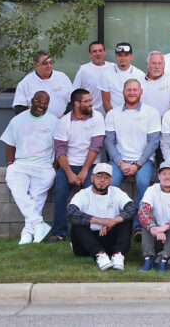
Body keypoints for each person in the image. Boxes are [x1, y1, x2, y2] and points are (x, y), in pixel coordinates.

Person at [103, 78, 161, 230]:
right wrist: (120, 163)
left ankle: (138, 225)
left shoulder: (151, 112)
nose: (132, 93)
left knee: (143, 183)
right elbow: (109, 142)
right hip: (119, 160)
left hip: (144, 161)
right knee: (109, 184)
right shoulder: (113, 114)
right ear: (123, 92)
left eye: (135, 90)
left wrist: (138, 164)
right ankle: (110, 224)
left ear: (141, 92)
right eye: (128, 90)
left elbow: (153, 142)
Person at [48, 88, 105, 242]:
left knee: (91, 193)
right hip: (69, 165)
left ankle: (91, 231)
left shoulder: (97, 117)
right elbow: (60, 151)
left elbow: (96, 146)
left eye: (91, 100)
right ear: (76, 104)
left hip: (91, 164)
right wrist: (69, 173)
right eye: (87, 101)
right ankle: (59, 232)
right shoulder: (64, 122)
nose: (91, 103)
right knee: (60, 192)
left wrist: (85, 170)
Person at [1, 91, 57, 244]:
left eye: (46, 103)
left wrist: (54, 168)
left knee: (36, 199)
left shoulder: (53, 121)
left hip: (44, 166)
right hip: (21, 165)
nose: (42, 106)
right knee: (19, 191)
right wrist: (10, 164)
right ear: (32, 101)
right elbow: (10, 144)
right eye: (39, 102)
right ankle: (38, 224)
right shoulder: (18, 120)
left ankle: (27, 232)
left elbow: (59, 147)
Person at [67, 163, 136, 270]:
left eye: (106, 177)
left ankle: (118, 255)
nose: (102, 180)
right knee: (78, 222)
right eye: (99, 176)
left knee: (126, 220)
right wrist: (100, 221)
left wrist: (113, 222)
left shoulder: (116, 192)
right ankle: (99, 255)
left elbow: (132, 208)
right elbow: (71, 213)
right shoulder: (83, 194)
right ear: (92, 178)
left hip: (108, 238)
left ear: (111, 180)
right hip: (85, 243)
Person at [136, 159, 170, 272]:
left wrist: (165, 227)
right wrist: (153, 228)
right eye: (164, 174)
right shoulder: (152, 190)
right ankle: (148, 258)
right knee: (146, 222)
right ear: (159, 176)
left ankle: (164, 259)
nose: (167, 177)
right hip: (154, 235)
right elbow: (143, 210)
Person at [12, 51, 73, 117]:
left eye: (51, 62)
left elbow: (73, 101)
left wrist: (64, 116)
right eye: (44, 63)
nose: (49, 66)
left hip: (62, 123)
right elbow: (20, 108)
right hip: (36, 125)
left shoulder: (63, 78)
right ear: (35, 64)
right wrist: (37, 121)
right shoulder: (25, 82)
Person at [100, 42, 146, 113]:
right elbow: (105, 101)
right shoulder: (106, 74)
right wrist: (113, 116)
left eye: (126, 55)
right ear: (115, 57)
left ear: (132, 56)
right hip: (113, 115)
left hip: (134, 115)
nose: (123, 58)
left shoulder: (140, 75)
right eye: (120, 55)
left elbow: (142, 98)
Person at [72, 41, 115, 114]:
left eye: (100, 51)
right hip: (90, 113)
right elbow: (75, 91)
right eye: (94, 51)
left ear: (105, 52)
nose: (98, 53)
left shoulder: (113, 67)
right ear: (90, 54)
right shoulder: (84, 69)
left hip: (110, 112)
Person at [140, 51, 170, 117]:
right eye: (153, 63)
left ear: (164, 65)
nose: (157, 66)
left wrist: (162, 121)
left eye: (160, 63)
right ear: (147, 64)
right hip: (144, 123)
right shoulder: (138, 82)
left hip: (165, 124)